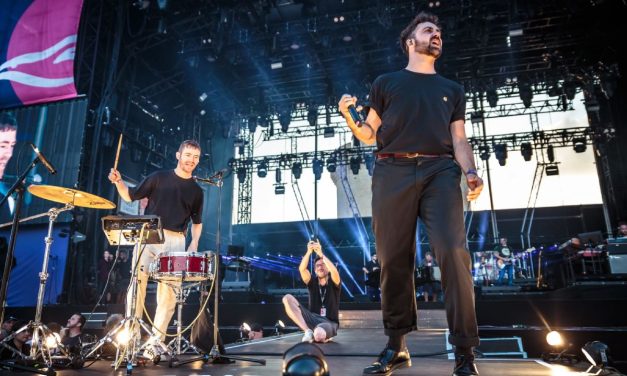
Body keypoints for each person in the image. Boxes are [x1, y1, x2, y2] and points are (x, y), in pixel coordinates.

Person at [338, 11, 483, 376]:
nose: (437, 34)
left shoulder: (453, 89)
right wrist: (347, 115)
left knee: (453, 251)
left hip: (440, 171)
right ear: (410, 42)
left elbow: (459, 139)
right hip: (392, 170)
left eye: (439, 31)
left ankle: (465, 352)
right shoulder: (386, 83)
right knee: (393, 259)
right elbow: (369, 134)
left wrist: (471, 171)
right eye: (429, 30)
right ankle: (397, 346)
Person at [108, 139, 204, 353]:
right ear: (178, 156)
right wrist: (118, 181)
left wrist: (194, 242)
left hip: (177, 239)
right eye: (188, 155)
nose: (191, 160)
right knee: (136, 284)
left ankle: (155, 343)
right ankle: (130, 338)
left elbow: (197, 223)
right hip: (148, 235)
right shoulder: (159, 177)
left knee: (169, 293)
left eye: (196, 157)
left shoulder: (197, 191)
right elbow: (130, 196)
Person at [282, 240, 341, 343]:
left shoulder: (334, 281)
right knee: (287, 298)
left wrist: (320, 254)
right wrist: (309, 252)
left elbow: (334, 271)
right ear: (314, 270)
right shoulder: (312, 282)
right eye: (317, 266)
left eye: (322, 264)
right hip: (312, 318)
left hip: (329, 322)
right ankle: (308, 331)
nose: (320, 267)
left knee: (318, 335)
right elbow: (302, 269)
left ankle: (321, 334)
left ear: (327, 268)